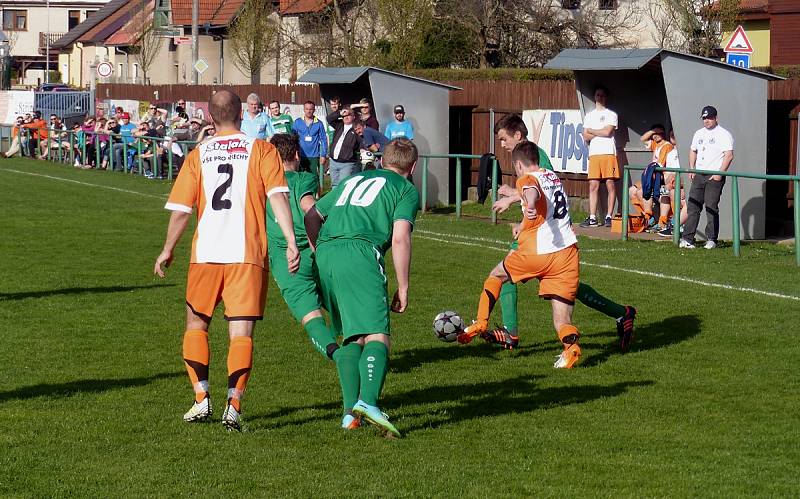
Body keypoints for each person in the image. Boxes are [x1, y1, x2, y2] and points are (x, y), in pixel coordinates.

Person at [154, 89, 299, 432]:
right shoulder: (261, 149)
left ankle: (201, 398)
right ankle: (232, 406)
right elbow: (278, 198)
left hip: (206, 255)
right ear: (242, 114)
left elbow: (181, 211)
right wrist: (292, 241)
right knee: (241, 333)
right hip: (246, 255)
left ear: (209, 115)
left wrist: (167, 248)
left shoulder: (199, 153)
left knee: (195, 325)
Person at [486, 114, 636, 352]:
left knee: (504, 274)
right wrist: (518, 205)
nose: (502, 145)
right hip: (542, 234)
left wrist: (515, 201)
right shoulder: (529, 156)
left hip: (547, 237)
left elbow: (543, 188)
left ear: (517, 135)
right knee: (567, 287)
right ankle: (622, 313)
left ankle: (510, 333)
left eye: (504, 139)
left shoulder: (534, 155)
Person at [304, 137, 419, 438]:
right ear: (413, 166)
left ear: (382, 161)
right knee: (378, 333)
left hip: (327, 252)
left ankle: (347, 414)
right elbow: (400, 238)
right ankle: (368, 403)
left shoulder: (356, 178)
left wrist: (320, 252)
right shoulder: (405, 189)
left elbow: (312, 214)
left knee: (354, 335)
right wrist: (403, 286)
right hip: (360, 251)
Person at [458, 141, 583, 369]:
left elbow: (530, 190)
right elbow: (541, 205)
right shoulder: (552, 177)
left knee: (496, 276)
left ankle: (480, 322)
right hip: (567, 254)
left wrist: (531, 204)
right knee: (562, 319)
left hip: (538, 251)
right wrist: (524, 223)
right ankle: (571, 348)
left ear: (518, 164)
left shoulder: (526, 178)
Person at [267, 133, 339, 362]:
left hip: (286, 258)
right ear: (297, 155)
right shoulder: (303, 178)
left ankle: (339, 357)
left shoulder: (263, 183)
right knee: (341, 306)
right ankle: (367, 350)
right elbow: (309, 207)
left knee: (311, 316)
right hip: (316, 249)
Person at [680, 106, 734, 249]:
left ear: (716, 118)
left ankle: (711, 239)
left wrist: (720, 173)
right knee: (693, 207)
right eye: (704, 118)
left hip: (714, 176)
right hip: (699, 174)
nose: (707, 121)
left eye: (709, 118)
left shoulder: (723, 134)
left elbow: (729, 155)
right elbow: (693, 150)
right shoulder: (698, 133)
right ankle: (687, 239)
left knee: (711, 207)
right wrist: (692, 168)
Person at [580, 85, 620, 228]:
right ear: (594, 97)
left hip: (608, 152)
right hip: (594, 153)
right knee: (593, 185)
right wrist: (597, 131)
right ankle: (592, 217)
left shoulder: (612, 114)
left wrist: (592, 130)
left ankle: (609, 216)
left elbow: (608, 132)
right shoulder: (589, 116)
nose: (600, 97)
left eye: (603, 95)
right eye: (598, 95)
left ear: (606, 97)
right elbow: (585, 136)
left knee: (610, 183)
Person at [639, 123, 674, 232]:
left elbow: (660, 164)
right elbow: (642, 139)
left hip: (661, 176)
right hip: (653, 175)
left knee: (662, 194)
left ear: (663, 133)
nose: (656, 135)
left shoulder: (667, 145)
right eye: (654, 134)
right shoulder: (655, 144)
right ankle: (650, 216)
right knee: (635, 191)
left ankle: (661, 220)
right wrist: (653, 131)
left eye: (659, 133)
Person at [658, 130, 689, 238]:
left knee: (673, 193)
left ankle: (677, 224)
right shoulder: (671, 154)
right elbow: (668, 173)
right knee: (664, 193)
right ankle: (662, 222)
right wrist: (667, 183)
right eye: (671, 135)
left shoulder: (686, 151)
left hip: (683, 184)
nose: (673, 136)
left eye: (675, 134)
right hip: (672, 183)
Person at [326, 107, 362, 188]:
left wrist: (362, 148)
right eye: (344, 115)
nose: (346, 117)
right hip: (333, 161)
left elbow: (361, 140)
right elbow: (329, 118)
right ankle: (335, 200)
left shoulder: (356, 128)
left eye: (349, 115)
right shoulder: (339, 125)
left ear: (354, 116)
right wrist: (340, 112)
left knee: (344, 185)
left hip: (347, 163)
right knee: (334, 185)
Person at [292, 101, 328, 175]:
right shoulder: (297, 122)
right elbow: (293, 139)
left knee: (313, 177)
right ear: (304, 109)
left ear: (314, 110)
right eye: (307, 109)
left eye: (311, 109)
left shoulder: (319, 123)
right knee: (300, 176)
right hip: (300, 155)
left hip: (314, 156)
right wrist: (294, 153)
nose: (308, 111)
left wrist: (323, 155)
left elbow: (323, 139)